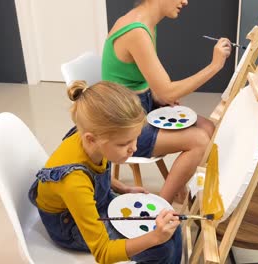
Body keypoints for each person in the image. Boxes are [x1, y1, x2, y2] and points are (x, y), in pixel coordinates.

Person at [28, 81, 182, 264]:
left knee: (173, 222)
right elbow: (103, 253)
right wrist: (155, 238)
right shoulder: (74, 182)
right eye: (124, 144)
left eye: (136, 139)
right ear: (91, 139)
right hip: (68, 225)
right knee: (161, 248)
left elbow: (95, 175)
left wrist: (123, 188)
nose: (134, 148)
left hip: (92, 201)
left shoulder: (95, 139)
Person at [102, 0, 232, 204]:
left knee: (208, 127)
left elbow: (138, 79)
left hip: (137, 108)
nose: (185, 1)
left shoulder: (145, 23)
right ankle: (161, 206)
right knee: (200, 142)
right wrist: (214, 66)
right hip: (123, 127)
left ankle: (179, 190)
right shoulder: (137, 31)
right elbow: (169, 91)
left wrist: (155, 96)